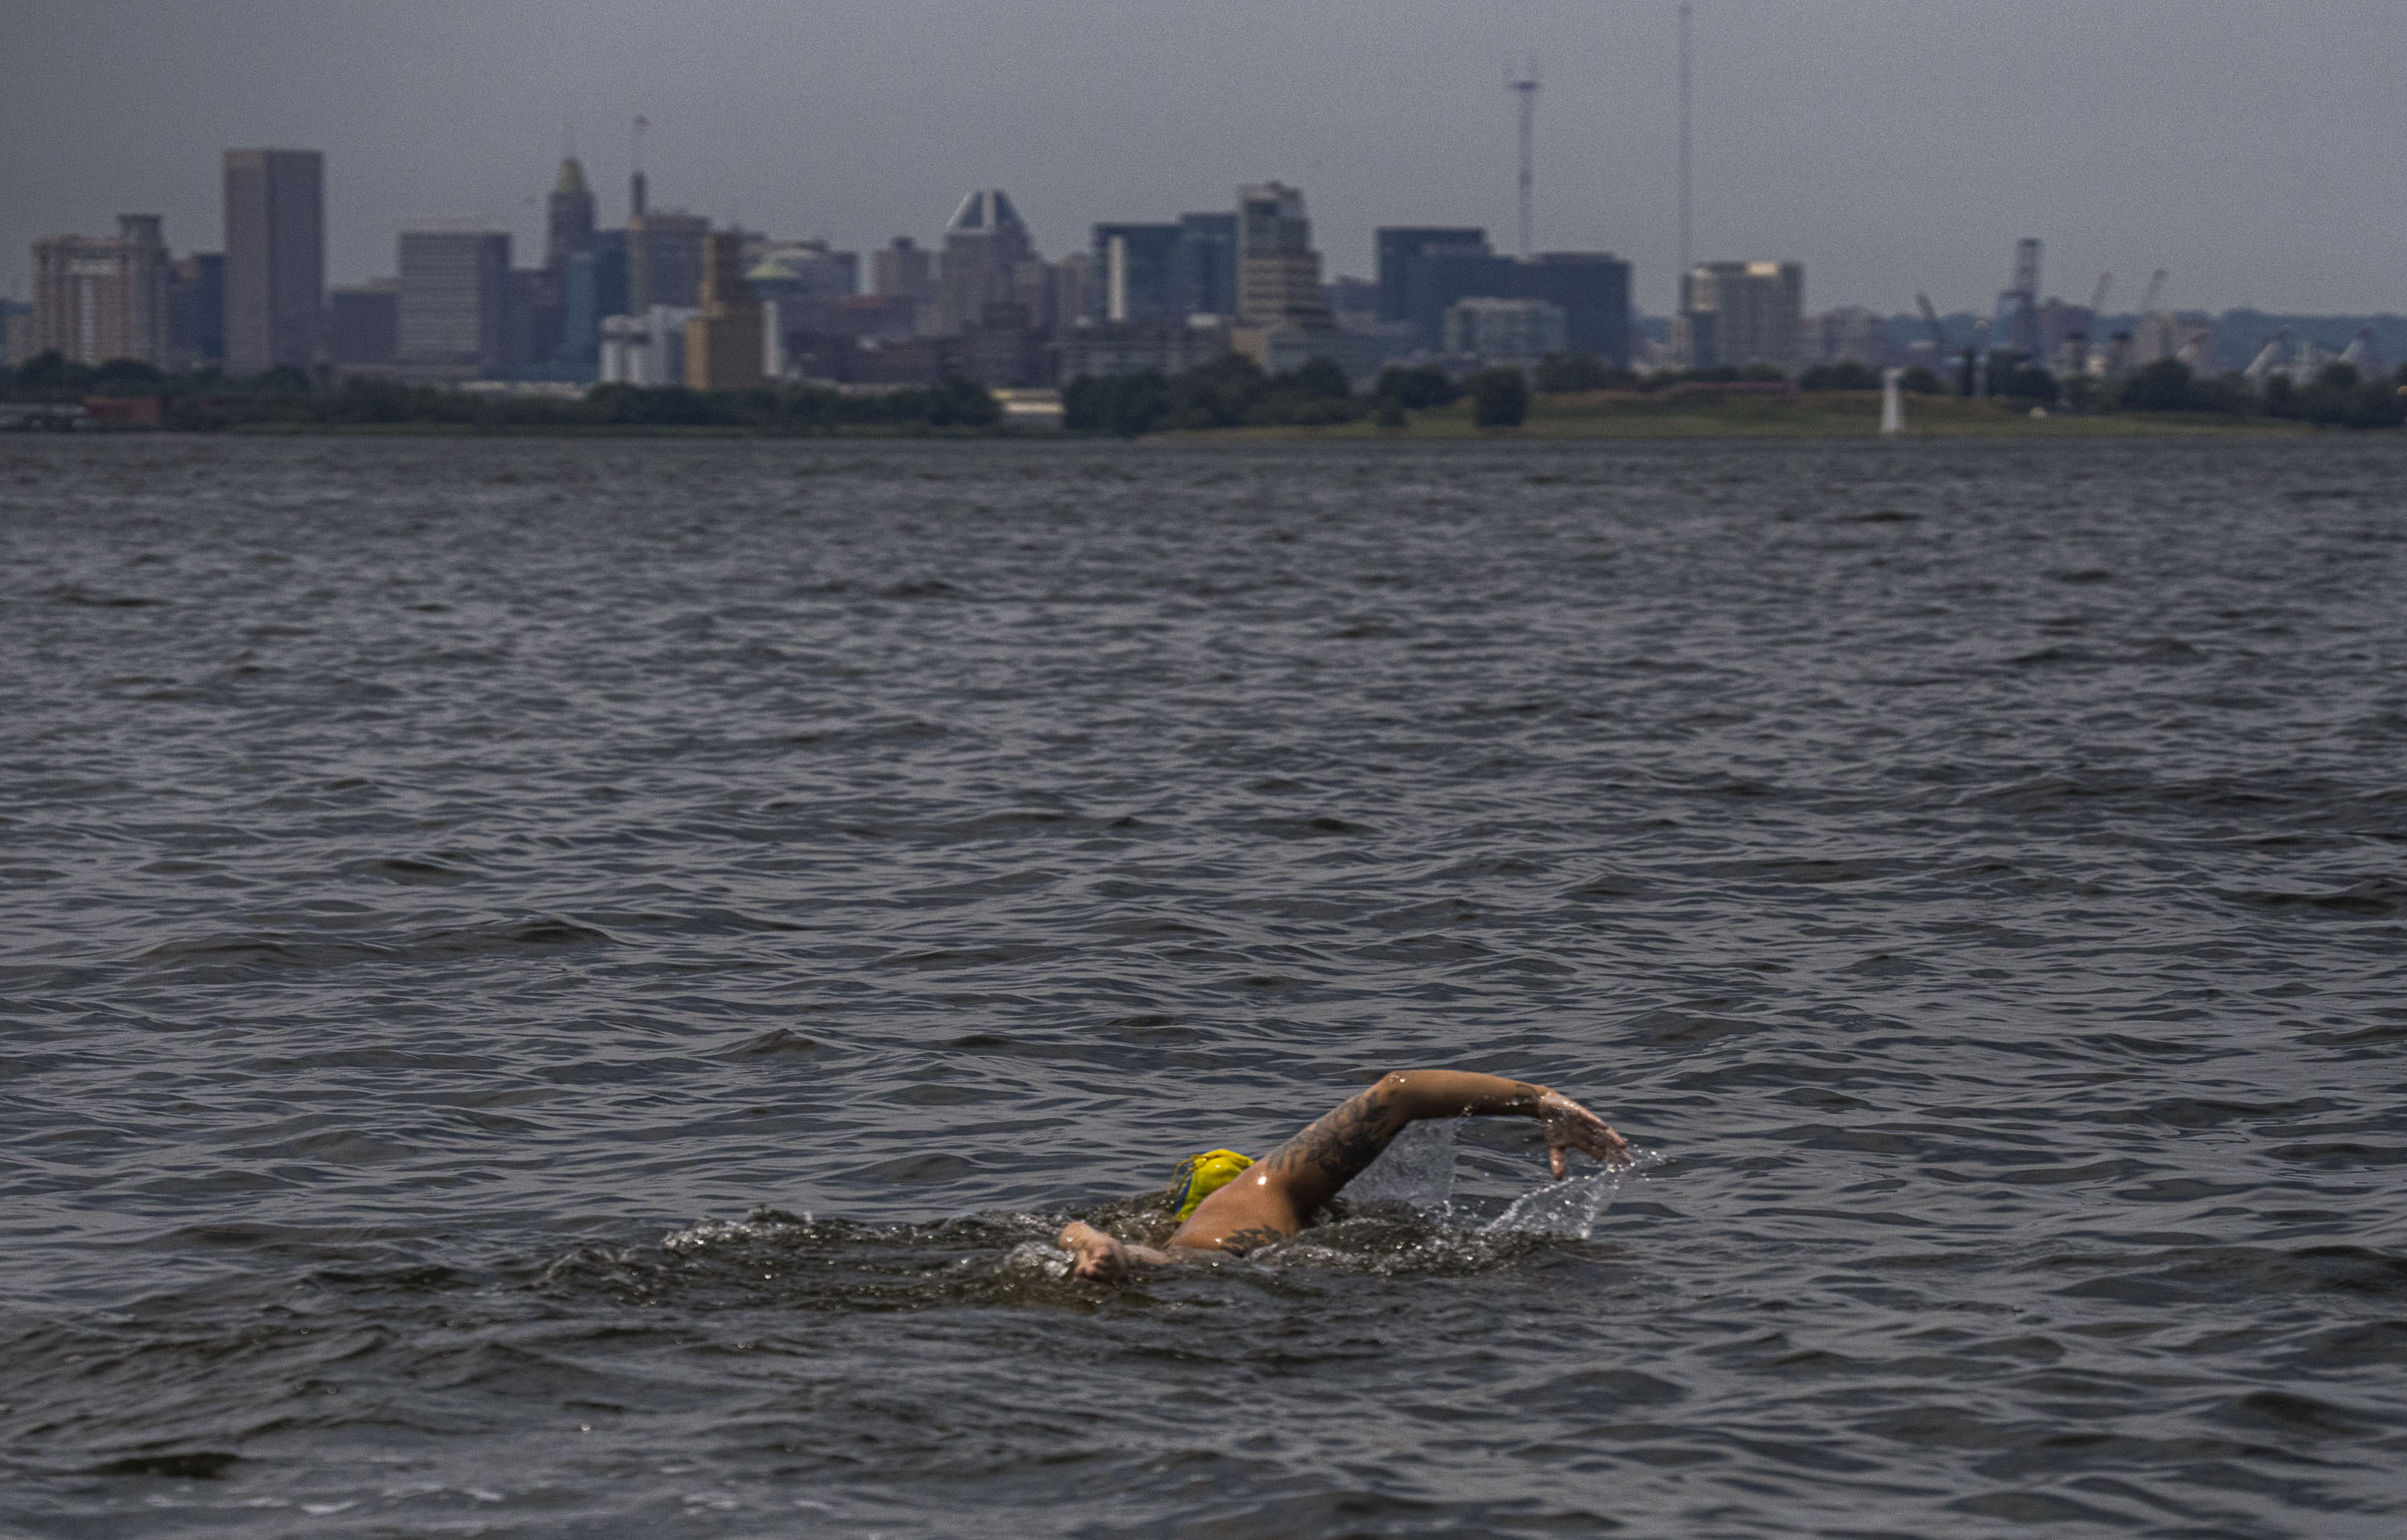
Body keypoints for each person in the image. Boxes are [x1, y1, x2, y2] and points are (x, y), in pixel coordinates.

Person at [1057, 1069, 1630, 1280]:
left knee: (1164, 1263)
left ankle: (1100, 1244)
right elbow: (1399, 1092)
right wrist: (1542, 1101)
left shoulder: (1213, 1219)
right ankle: (1107, 1248)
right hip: (1266, 1273)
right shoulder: (1264, 1192)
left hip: (1222, 1268)